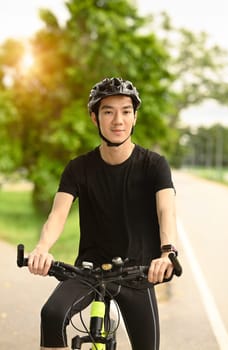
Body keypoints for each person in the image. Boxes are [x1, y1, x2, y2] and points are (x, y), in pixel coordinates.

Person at [28, 77, 178, 350]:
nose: (118, 120)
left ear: (134, 117)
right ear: (95, 118)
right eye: (108, 111)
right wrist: (42, 248)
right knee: (51, 314)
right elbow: (58, 214)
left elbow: (166, 209)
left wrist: (167, 252)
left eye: (126, 111)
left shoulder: (154, 165)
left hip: (137, 274)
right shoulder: (78, 168)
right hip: (89, 271)